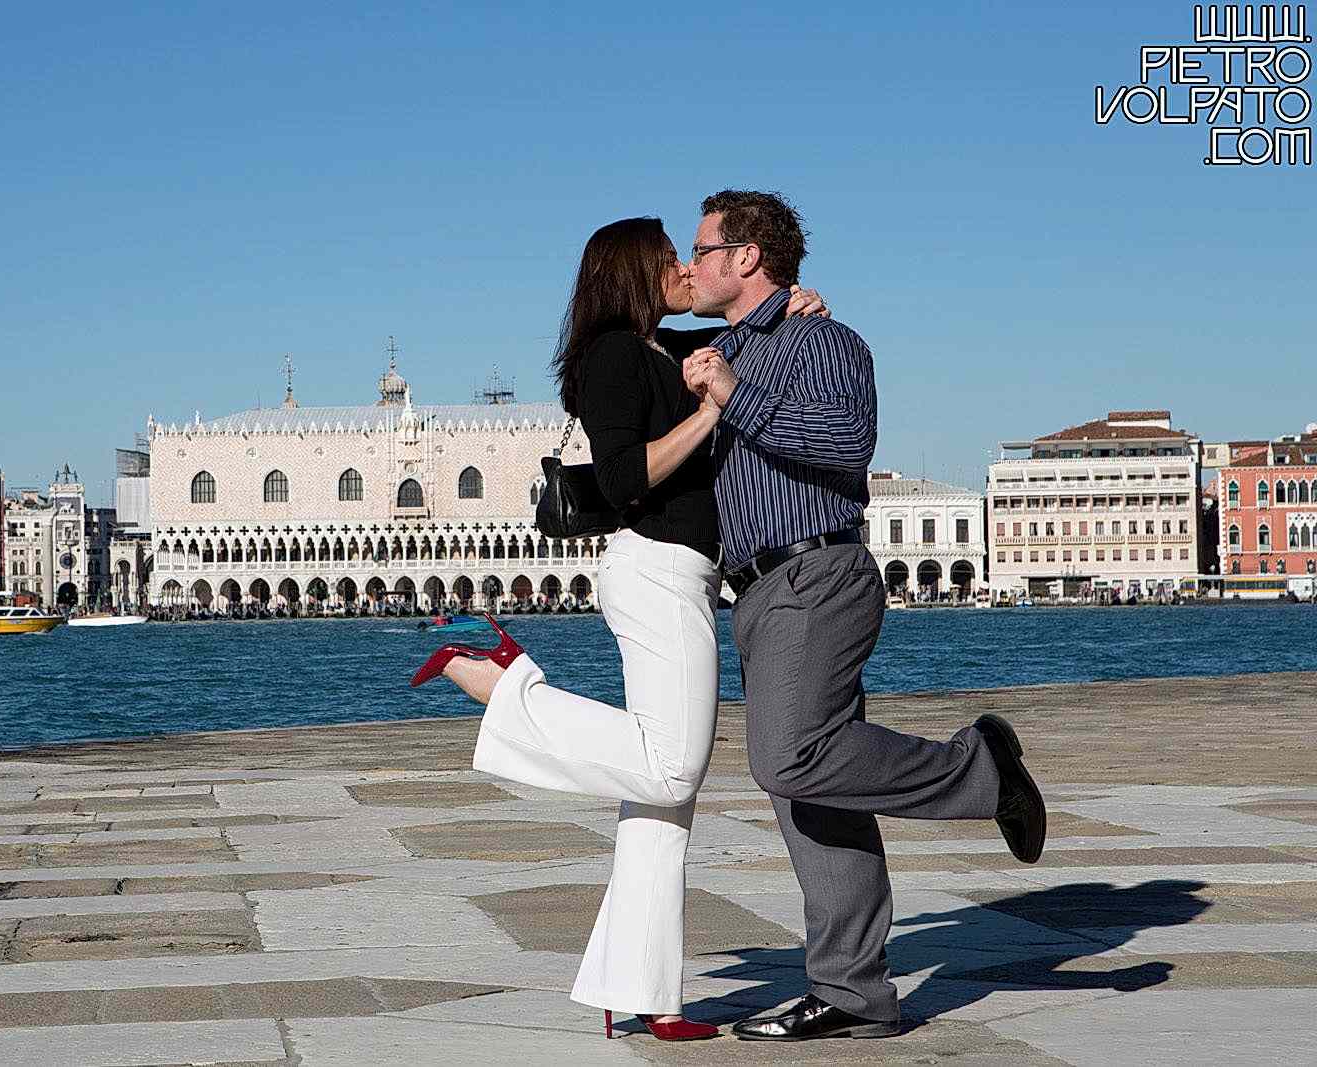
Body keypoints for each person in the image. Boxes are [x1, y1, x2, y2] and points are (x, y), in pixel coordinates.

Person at [410, 215, 826, 1041]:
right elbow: (622, 473)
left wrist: (793, 302)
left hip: (685, 574)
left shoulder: (659, 347)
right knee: (673, 767)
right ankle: (500, 679)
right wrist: (712, 414)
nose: (682, 266)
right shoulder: (611, 356)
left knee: (659, 804)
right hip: (657, 571)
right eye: (667, 256)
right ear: (633, 272)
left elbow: (740, 320)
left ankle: (645, 990)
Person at [681, 190, 1047, 1042]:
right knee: (812, 791)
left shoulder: (825, 341)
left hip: (816, 573)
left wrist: (737, 394)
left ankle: (983, 771)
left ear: (746, 255)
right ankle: (852, 992)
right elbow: (641, 307)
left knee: (790, 759)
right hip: (759, 592)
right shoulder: (714, 347)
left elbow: (847, 444)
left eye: (702, 250)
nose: (689, 266)